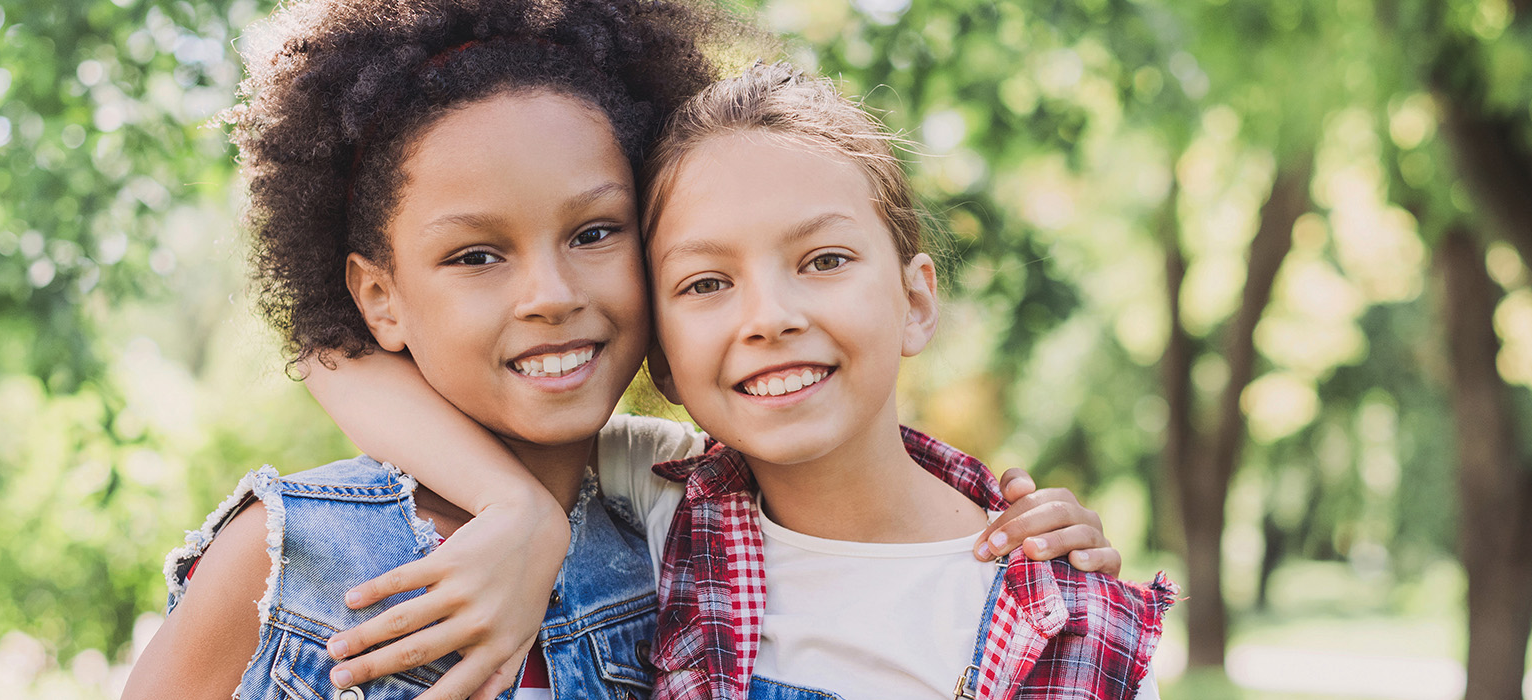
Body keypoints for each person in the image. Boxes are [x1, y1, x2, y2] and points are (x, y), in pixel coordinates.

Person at [122, 0, 1124, 697]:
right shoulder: (296, 555)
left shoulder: (671, 515)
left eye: (596, 232)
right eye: (477, 254)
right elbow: (324, 354)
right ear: (379, 296)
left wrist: (1030, 537)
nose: (552, 295)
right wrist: (516, 511)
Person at [625, 63, 1178, 699]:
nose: (770, 318)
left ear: (914, 303)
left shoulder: (1068, 628)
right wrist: (516, 504)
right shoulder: (648, 498)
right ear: (659, 356)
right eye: (706, 283)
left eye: (824, 260)